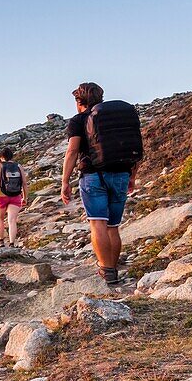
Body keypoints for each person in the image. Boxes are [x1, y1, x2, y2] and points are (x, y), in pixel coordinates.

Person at [60, 82, 144, 285]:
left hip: (93, 176)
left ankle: (107, 272)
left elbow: (72, 151)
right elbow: (135, 149)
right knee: (113, 227)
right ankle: (112, 269)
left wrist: (65, 181)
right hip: (121, 174)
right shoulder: (116, 119)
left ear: (79, 101)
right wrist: (132, 176)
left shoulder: (79, 120)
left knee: (98, 223)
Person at [0, 147, 27, 246]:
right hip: (16, 195)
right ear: (11, 156)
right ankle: (12, 243)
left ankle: (1, 241)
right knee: (12, 220)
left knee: (0, 219)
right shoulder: (18, 166)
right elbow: (24, 183)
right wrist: (25, 197)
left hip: (2, 195)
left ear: (1, 157)